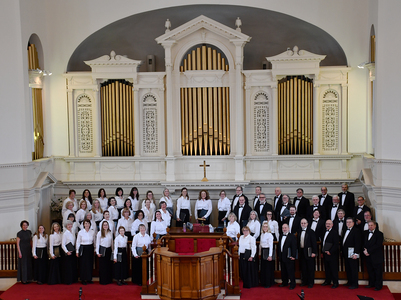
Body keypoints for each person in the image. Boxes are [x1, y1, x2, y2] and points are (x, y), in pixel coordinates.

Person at [363, 221, 384, 291]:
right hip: (367, 256)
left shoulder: (379, 234)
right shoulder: (365, 233)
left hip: (376, 256)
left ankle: (378, 286)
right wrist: (364, 250)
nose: (370, 227)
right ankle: (371, 283)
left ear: (375, 226)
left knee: (378, 272)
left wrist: (368, 251)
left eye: (371, 225)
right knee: (370, 270)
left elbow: (378, 245)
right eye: (369, 225)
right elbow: (363, 242)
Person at [342, 217, 361, 289]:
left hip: (353, 253)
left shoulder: (356, 231)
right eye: (347, 222)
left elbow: (358, 243)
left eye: (350, 222)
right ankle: (349, 281)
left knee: (353, 269)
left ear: (353, 223)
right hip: (346, 253)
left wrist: (356, 253)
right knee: (348, 268)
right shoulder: (345, 230)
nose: (348, 223)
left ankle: (355, 284)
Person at [297, 218, 317, 288]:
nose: (303, 224)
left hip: (309, 252)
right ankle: (304, 281)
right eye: (302, 223)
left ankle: (310, 283)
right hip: (302, 252)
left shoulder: (311, 232)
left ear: (307, 224)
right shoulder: (299, 231)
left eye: (304, 223)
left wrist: (314, 252)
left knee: (310, 268)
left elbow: (314, 243)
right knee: (303, 268)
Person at [76, 219, 96, 285]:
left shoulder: (92, 232)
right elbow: (78, 242)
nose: (87, 225)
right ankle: (83, 279)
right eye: (86, 223)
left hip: (90, 248)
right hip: (83, 248)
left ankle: (89, 278)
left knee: (90, 264)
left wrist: (95, 249)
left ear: (90, 224)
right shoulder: (80, 232)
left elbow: (94, 241)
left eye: (88, 223)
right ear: (83, 225)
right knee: (83, 264)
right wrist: (77, 251)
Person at [321, 219, 339, 289]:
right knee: (327, 268)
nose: (327, 225)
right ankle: (327, 281)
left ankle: (335, 282)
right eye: (326, 224)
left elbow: (336, 244)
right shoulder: (324, 232)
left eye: (329, 224)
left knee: (333, 269)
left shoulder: (334, 233)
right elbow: (323, 243)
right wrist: (322, 252)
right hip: (325, 254)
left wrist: (330, 251)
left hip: (332, 254)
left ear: (332, 225)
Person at [278, 223, 297, 290]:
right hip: (282, 256)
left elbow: (294, 247)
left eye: (285, 228)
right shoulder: (280, 236)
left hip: (289, 257)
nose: (284, 229)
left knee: (290, 271)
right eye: (283, 228)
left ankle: (292, 284)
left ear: (288, 228)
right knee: (283, 271)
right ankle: (284, 282)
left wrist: (293, 256)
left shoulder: (292, 236)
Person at [96, 220, 114, 285]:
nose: (105, 226)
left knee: (109, 265)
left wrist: (113, 251)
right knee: (103, 266)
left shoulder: (110, 232)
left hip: (109, 250)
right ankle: (103, 280)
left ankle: (109, 280)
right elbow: (97, 243)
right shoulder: (99, 233)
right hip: (102, 250)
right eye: (104, 225)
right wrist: (97, 252)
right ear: (102, 226)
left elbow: (111, 242)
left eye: (106, 225)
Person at [61, 220, 77, 285]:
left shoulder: (73, 232)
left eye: (70, 224)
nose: (70, 226)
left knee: (73, 266)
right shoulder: (65, 233)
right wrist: (67, 251)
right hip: (68, 252)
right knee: (68, 267)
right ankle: (68, 280)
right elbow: (63, 244)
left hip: (73, 251)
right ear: (66, 226)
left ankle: (73, 279)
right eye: (68, 225)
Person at [259, 221, 274, 288]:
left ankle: (268, 283)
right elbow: (260, 245)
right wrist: (260, 253)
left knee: (268, 269)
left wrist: (270, 255)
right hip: (263, 251)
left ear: (268, 228)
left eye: (266, 227)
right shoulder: (262, 234)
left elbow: (271, 246)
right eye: (264, 227)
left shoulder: (270, 235)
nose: (265, 228)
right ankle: (264, 282)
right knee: (263, 268)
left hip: (268, 251)